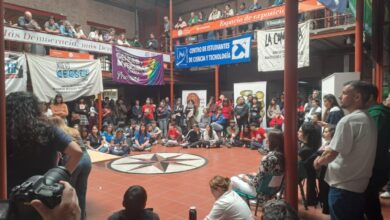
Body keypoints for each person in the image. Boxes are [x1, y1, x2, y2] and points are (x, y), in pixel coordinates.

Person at [313, 81, 377, 220]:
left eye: (344, 93)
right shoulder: (368, 119)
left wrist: (318, 162)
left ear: (357, 97)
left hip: (343, 186)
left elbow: (332, 153)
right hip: (358, 185)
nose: (340, 96)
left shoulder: (348, 120)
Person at [6, 92, 82, 193]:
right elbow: (77, 152)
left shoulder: (4, 131)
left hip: (10, 191)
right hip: (43, 191)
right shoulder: (48, 129)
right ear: (35, 109)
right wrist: (60, 176)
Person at [50, 117, 91, 220]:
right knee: (81, 191)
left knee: (69, 192)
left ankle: (71, 217)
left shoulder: (58, 132)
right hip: (87, 159)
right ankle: (82, 217)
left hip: (74, 159)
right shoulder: (73, 130)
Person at [231, 129, 284, 197]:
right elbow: (268, 174)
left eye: (268, 139)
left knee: (234, 179)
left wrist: (246, 179)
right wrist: (255, 175)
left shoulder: (267, 158)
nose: (266, 141)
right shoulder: (283, 156)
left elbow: (256, 183)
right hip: (275, 190)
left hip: (261, 192)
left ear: (273, 142)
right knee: (246, 175)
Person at [363, 86, 390, 220]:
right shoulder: (377, 113)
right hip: (378, 166)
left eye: (357, 96)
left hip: (373, 167)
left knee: (369, 204)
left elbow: (372, 144)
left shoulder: (377, 115)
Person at [313, 124, 336, 214]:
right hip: (323, 169)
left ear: (332, 133)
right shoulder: (325, 143)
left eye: (326, 131)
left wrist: (317, 160)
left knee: (326, 188)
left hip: (329, 170)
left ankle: (327, 208)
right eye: (324, 131)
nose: (324, 133)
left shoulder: (332, 145)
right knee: (322, 187)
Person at [298, 122, 321, 206]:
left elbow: (294, 161)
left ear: (306, 135)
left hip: (303, 173)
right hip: (309, 172)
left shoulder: (305, 149)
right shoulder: (312, 145)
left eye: (300, 131)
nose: (298, 132)